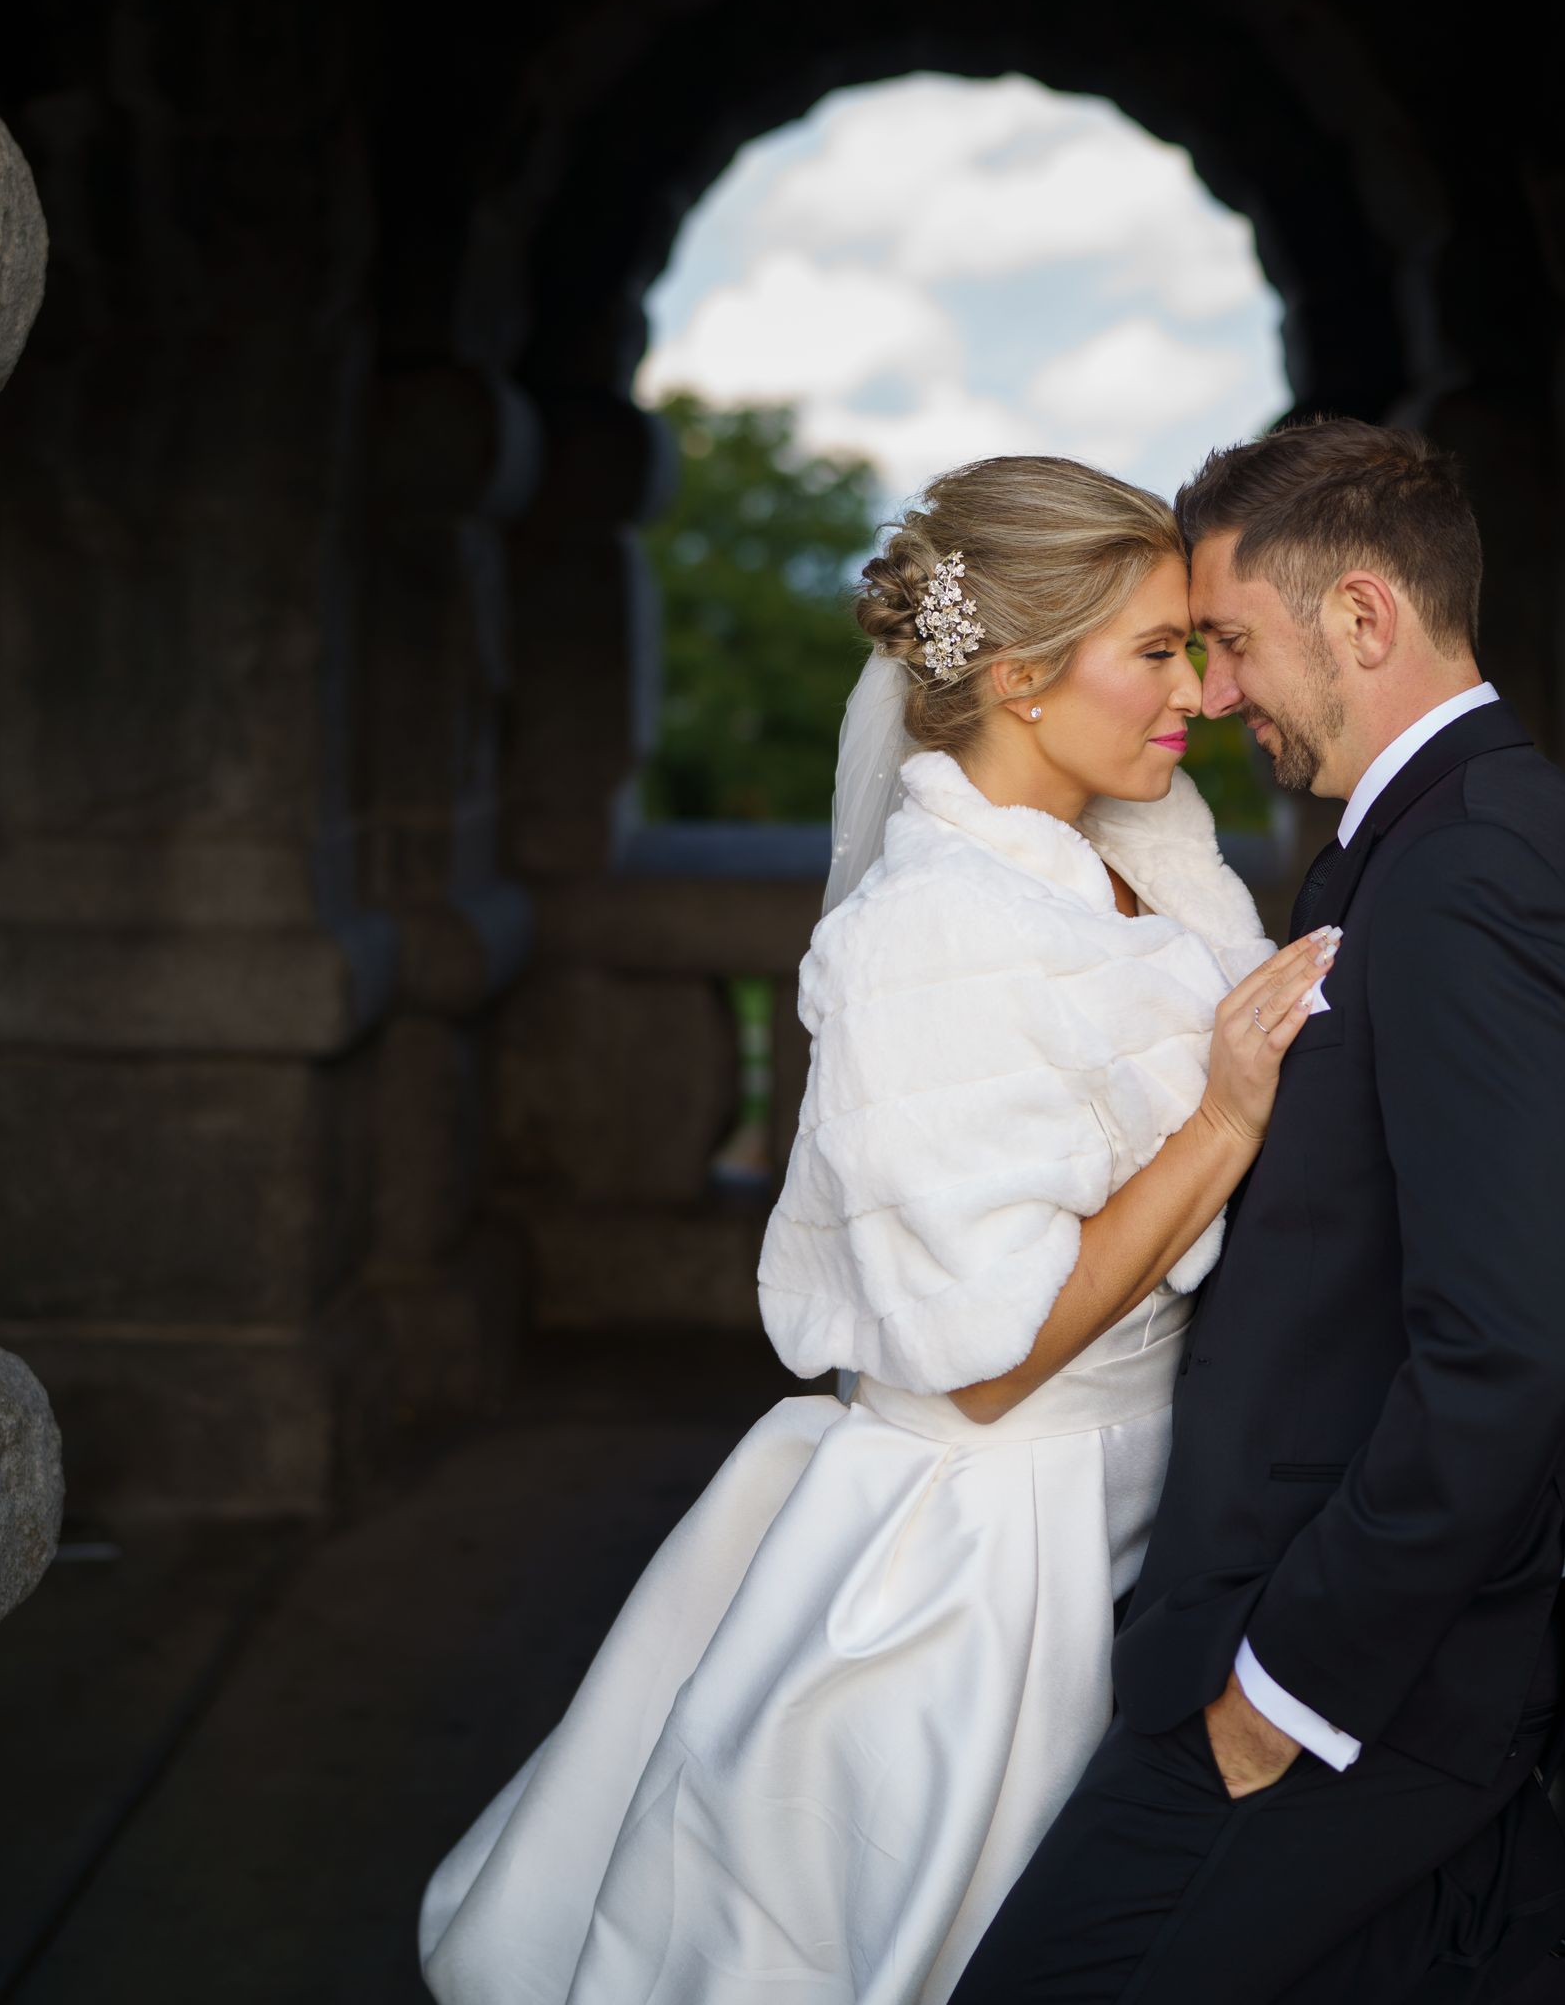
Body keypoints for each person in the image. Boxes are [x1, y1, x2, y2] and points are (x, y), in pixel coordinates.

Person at [418, 454, 1336, 2005]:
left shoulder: (1137, 858)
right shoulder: (931, 935)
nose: (1202, 689)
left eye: (1195, 645)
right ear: (1030, 680)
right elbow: (985, 1358)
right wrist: (1228, 1124)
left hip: (1146, 1500)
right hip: (996, 1557)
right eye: (1160, 650)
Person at [954, 418, 1565, 2005]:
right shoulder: (1418, 844)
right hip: (1331, 1652)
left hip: (1355, 1688)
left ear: (1362, 617)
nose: (1209, 693)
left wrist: (1285, 1688)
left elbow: (1514, 1344)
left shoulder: (1482, 871)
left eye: (1229, 643)